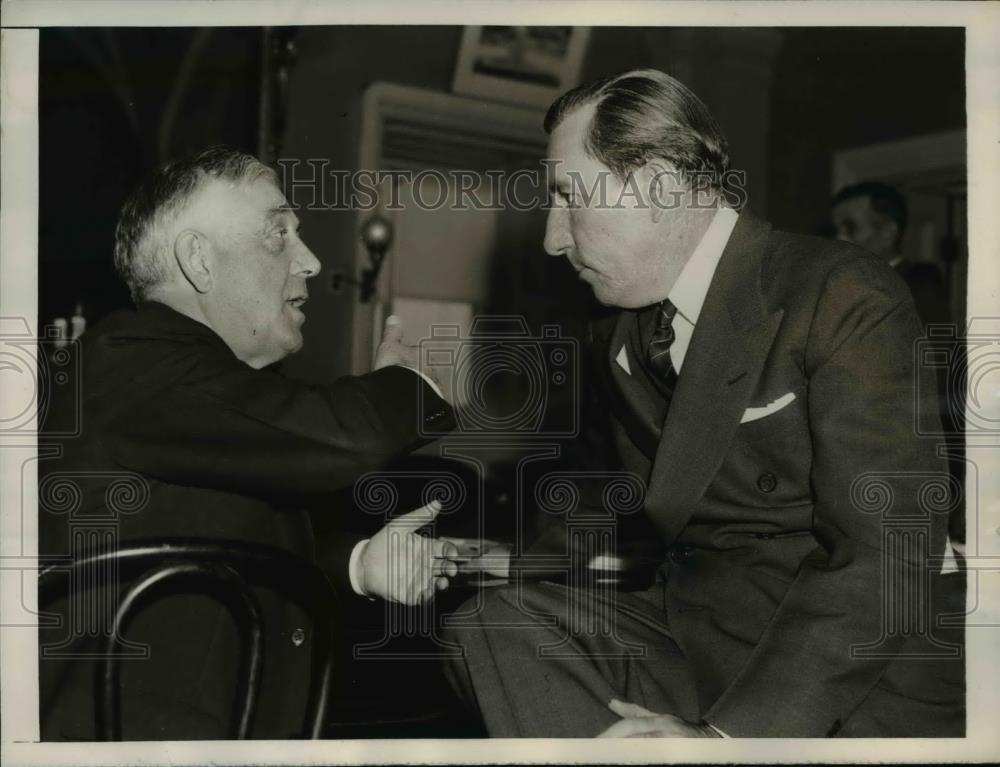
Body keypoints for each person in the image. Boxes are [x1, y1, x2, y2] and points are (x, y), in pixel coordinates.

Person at [444, 70, 963, 738]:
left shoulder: (839, 292)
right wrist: (513, 560)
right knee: (490, 624)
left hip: (847, 661)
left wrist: (727, 741)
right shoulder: (623, 332)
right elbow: (613, 482)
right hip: (700, 627)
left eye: (567, 198)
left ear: (658, 186)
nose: (553, 239)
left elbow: (887, 556)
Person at [38, 146, 459, 740]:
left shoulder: (191, 386)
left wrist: (361, 564)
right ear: (199, 261)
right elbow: (344, 435)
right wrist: (410, 386)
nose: (310, 261)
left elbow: (217, 545)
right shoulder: (129, 361)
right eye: (278, 233)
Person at [831, 180, 950, 326]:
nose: (839, 238)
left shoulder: (919, 289)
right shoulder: (842, 286)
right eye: (836, 229)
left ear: (887, 231)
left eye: (851, 228)